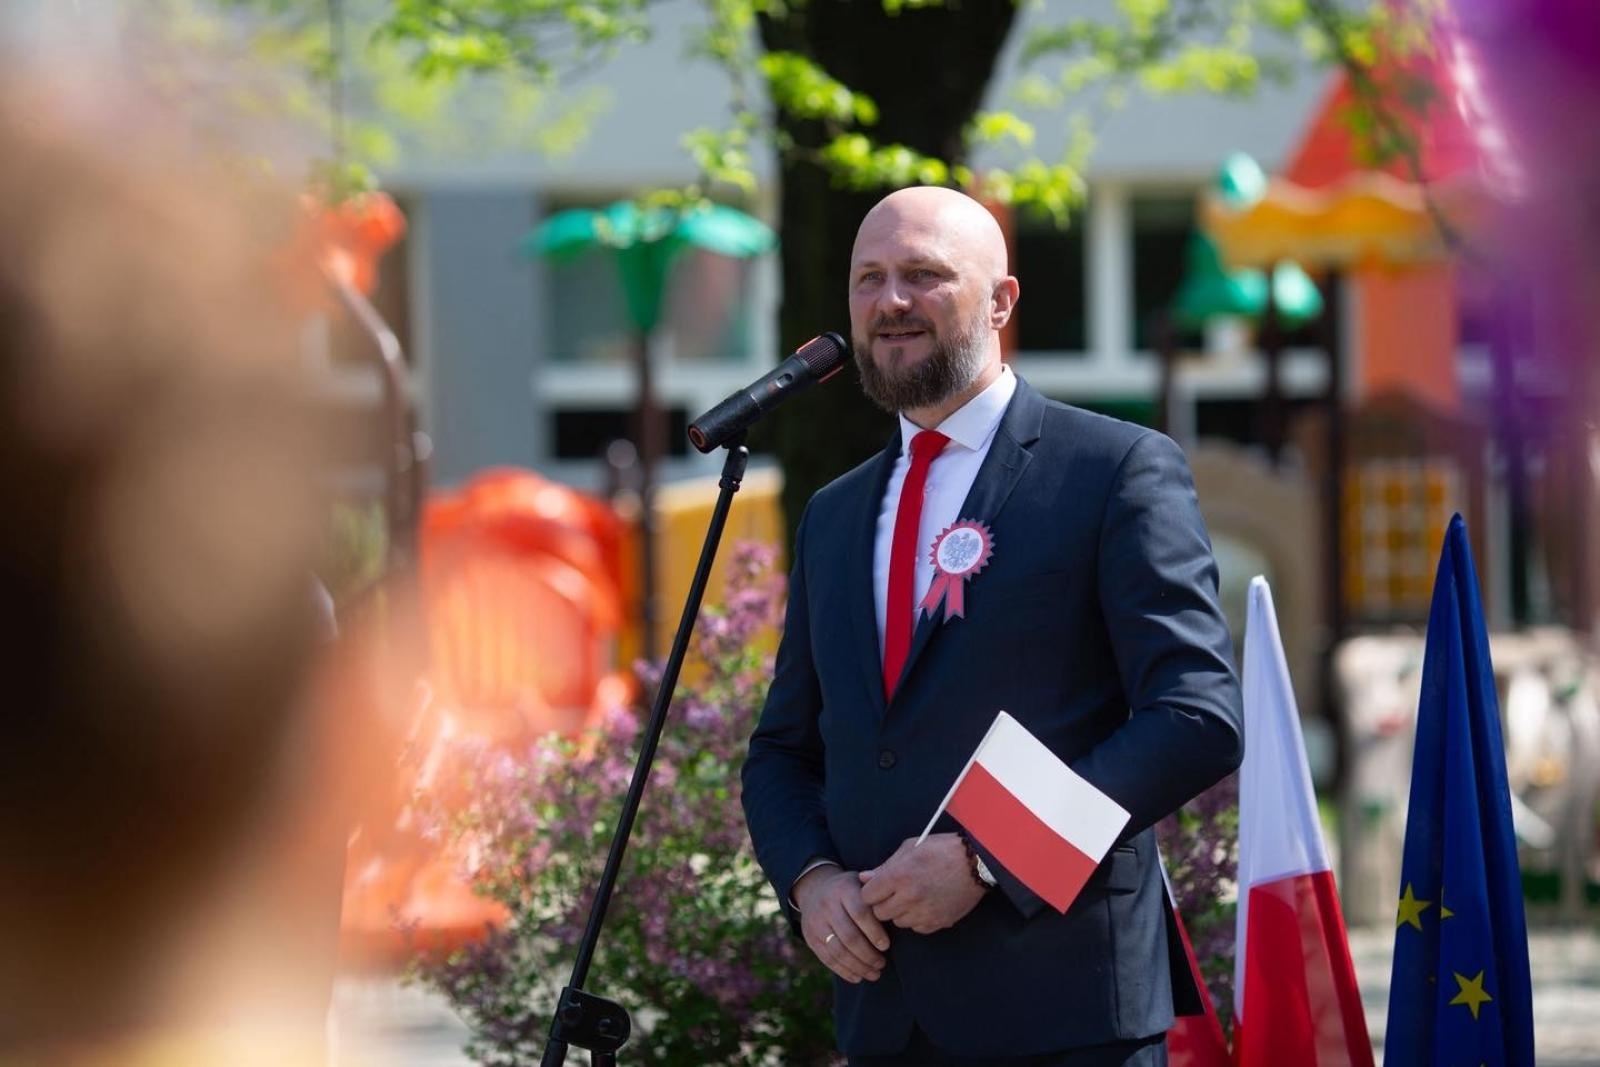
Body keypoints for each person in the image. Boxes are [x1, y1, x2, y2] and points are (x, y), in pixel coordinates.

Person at [742, 186, 1244, 1066]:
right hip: (887, 1014)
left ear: (1002, 301)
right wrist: (811, 880)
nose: (891, 300)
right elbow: (785, 750)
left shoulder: (1115, 469)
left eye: (924, 274)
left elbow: (1196, 714)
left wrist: (984, 857)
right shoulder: (834, 513)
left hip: (1067, 1013)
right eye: (869, 279)